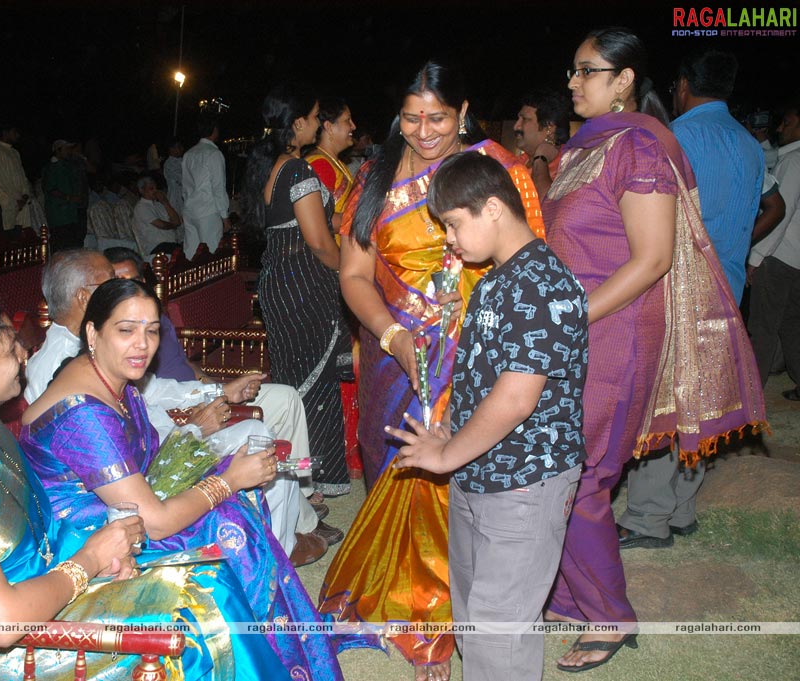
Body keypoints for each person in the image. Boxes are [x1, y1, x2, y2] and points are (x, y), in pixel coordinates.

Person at [0, 294, 285, 681]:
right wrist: (89, 559)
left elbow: (36, 536)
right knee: (196, 606)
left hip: (38, 593)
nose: (24, 356)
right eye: (11, 348)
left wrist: (100, 558)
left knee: (205, 571)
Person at [543, 28, 765, 671]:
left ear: (624, 81)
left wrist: (570, 317)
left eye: (587, 71)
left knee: (583, 474)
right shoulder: (586, 148)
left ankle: (609, 615)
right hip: (576, 330)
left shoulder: (637, 147)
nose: (573, 82)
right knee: (564, 468)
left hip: (613, 332)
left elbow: (653, 259)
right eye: (573, 70)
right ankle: (568, 594)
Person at [319, 61, 545, 681]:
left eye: (438, 117)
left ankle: (439, 624)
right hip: (392, 357)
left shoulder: (493, 170)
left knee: (451, 487)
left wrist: (462, 327)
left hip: (468, 358)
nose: (424, 130)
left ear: (463, 112)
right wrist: (393, 338)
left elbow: (522, 261)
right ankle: (395, 595)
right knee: (392, 469)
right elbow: (355, 276)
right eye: (413, 116)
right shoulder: (373, 177)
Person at [20, 279, 344, 680]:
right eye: (126, 330)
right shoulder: (83, 414)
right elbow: (152, 521)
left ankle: (273, 640)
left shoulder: (111, 377)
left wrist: (219, 476)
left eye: (152, 330)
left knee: (234, 501)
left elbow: (146, 463)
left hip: (121, 507)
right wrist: (228, 481)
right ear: (92, 332)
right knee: (228, 522)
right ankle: (253, 656)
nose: (142, 344)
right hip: (88, 536)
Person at [392, 151, 588, 681]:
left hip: (525, 481)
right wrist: (451, 430)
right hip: (479, 472)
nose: (449, 240)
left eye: (454, 224)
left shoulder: (542, 284)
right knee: (478, 610)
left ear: (495, 208)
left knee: (500, 626)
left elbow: (516, 398)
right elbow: (478, 374)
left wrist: (447, 454)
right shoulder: (497, 279)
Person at [104, 246, 343, 563]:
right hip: (164, 451)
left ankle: (294, 518)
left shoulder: (145, 320)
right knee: (258, 439)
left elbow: (166, 384)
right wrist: (193, 425)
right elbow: (140, 441)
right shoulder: (100, 362)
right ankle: (283, 544)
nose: (143, 339)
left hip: (187, 412)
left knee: (279, 407)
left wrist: (218, 389)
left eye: (132, 281)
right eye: (115, 284)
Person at [616, 49, 765, 551]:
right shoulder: (749, 145)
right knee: (701, 397)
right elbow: (766, 208)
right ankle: (681, 508)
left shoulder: (674, 138)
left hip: (677, 290)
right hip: (729, 290)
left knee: (663, 399)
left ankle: (647, 518)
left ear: (682, 85)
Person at [244, 83, 352, 498]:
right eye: (314, 116)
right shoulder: (298, 169)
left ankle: (298, 491)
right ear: (297, 124)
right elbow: (319, 241)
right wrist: (352, 274)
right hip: (303, 287)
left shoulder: (276, 167)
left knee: (296, 382)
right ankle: (310, 488)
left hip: (284, 284)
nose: (318, 123)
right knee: (313, 386)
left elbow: (324, 219)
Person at [748, 96, 800, 399]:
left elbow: (781, 213)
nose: (781, 128)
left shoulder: (793, 162)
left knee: (763, 326)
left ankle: (751, 394)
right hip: (795, 258)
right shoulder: (788, 157)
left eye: (788, 123)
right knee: (791, 324)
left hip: (779, 256)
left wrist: (756, 257)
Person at [181, 114, 230, 259]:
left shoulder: (189, 153)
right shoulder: (214, 154)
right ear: (214, 130)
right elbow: (218, 188)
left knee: (190, 254)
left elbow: (185, 185)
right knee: (211, 254)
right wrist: (224, 216)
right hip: (208, 210)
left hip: (190, 209)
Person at [304, 97, 357, 230]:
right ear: (329, 127)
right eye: (347, 120)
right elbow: (319, 222)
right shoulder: (320, 164)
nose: (353, 126)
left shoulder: (337, 163)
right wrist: (364, 221)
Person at [513, 89, 572, 196]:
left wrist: (540, 159)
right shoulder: (517, 163)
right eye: (518, 119)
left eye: (525, 119)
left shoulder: (569, 165)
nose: (516, 126)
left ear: (549, 127)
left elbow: (547, 205)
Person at [0, 125, 32, 231]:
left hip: (21, 203)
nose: (17, 135)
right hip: (6, 202)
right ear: (5, 132)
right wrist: (19, 198)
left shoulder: (14, 153)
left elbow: (23, 177)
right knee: (6, 239)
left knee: (22, 238)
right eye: (14, 132)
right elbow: (3, 180)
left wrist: (25, 195)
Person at [133, 176, 182, 256]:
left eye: (156, 188)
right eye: (151, 189)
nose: (155, 191)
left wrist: (165, 202)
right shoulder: (141, 207)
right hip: (156, 247)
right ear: (141, 190)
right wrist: (173, 225)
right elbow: (161, 225)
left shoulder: (159, 205)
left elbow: (177, 221)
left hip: (170, 244)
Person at [163, 137, 186, 215]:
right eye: (179, 147)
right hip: (176, 198)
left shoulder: (184, 160)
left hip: (185, 197)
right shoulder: (169, 164)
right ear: (171, 149)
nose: (182, 149)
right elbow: (183, 178)